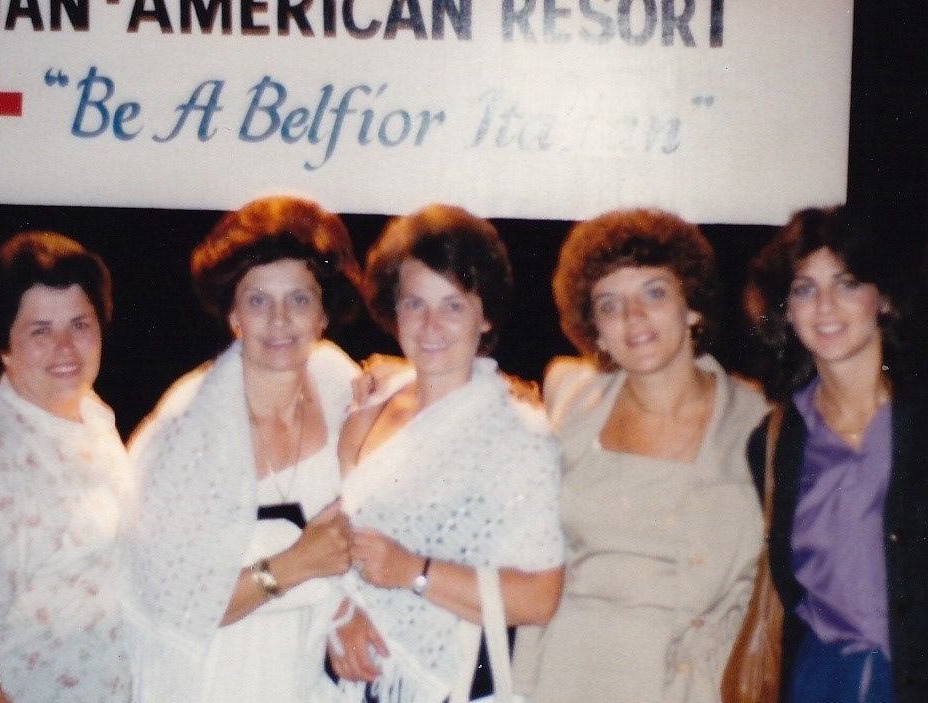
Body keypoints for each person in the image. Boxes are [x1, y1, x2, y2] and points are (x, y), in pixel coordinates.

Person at [744, 205, 928, 702]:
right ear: (786, 311)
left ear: (882, 298)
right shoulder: (775, 442)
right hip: (820, 682)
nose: (825, 306)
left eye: (847, 283)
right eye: (804, 289)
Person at [508, 209, 770, 703]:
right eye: (609, 305)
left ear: (691, 307)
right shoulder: (571, 401)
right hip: (567, 676)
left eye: (653, 293)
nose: (632, 317)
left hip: (690, 685)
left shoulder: (756, 423)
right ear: (596, 331)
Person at [120, 195, 363, 703]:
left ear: (323, 313)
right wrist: (294, 564)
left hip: (308, 670)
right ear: (232, 313)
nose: (279, 321)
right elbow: (168, 602)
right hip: (213, 673)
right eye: (258, 301)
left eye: (299, 300)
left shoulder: (339, 384)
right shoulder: (186, 431)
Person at [328, 204, 565, 703]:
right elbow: (333, 536)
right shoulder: (370, 406)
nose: (430, 324)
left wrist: (414, 571)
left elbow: (540, 598)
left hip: (452, 686)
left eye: (453, 305)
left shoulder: (519, 435)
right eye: (414, 303)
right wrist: (340, 612)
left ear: (485, 315)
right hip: (356, 684)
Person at [0, 231, 130, 701]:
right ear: (4, 345)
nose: (66, 347)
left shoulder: (93, 416)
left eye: (80, 324)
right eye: (41, 331)